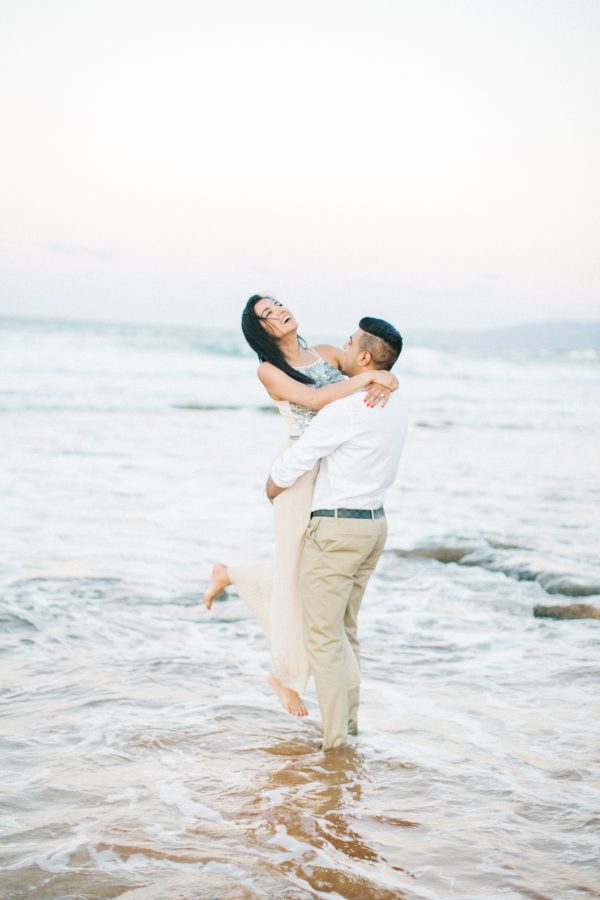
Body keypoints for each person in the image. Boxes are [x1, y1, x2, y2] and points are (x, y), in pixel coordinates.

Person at [203, 296, 399, 718]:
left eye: (278, 305)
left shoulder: (327, 352)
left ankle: (231, 574)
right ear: (261, 331)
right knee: (296, 572)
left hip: (333, 470)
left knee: (307, 572)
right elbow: (315, 401)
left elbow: (367, 364)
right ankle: (284, 675)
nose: (279, 313)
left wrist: (384, 377)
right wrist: (375, 380)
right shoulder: (269, 370)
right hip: (297, 471)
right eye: (267, 315)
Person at [266, 317, 407, 750]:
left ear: (364, 357)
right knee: (345, 633)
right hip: (373, 526)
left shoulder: (347, 408)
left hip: (337, 530)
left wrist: (272, 485)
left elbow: (300, 458)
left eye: (350, 343)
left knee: (324, 641)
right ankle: (349, 727)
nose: (343, 347)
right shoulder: (393, 404)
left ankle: (335, 745)